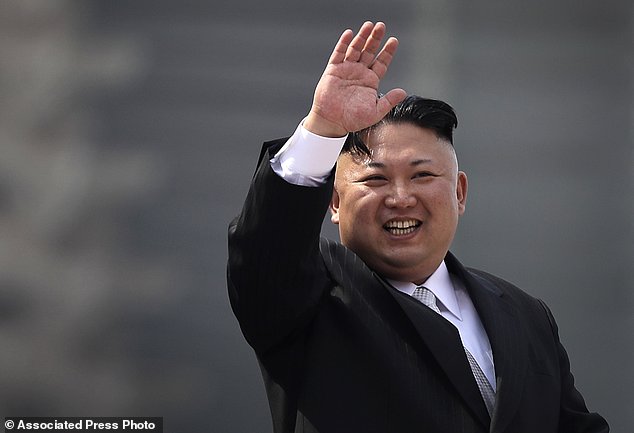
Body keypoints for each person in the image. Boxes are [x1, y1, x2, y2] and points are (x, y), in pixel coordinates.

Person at [227, 21, 609, 433]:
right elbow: (266, 251)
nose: (401, 197)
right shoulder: (310, 295)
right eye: (375, 179)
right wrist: (322, 127)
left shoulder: (526, 315)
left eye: (423, 176)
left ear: (459, 193)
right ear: (334, 201)